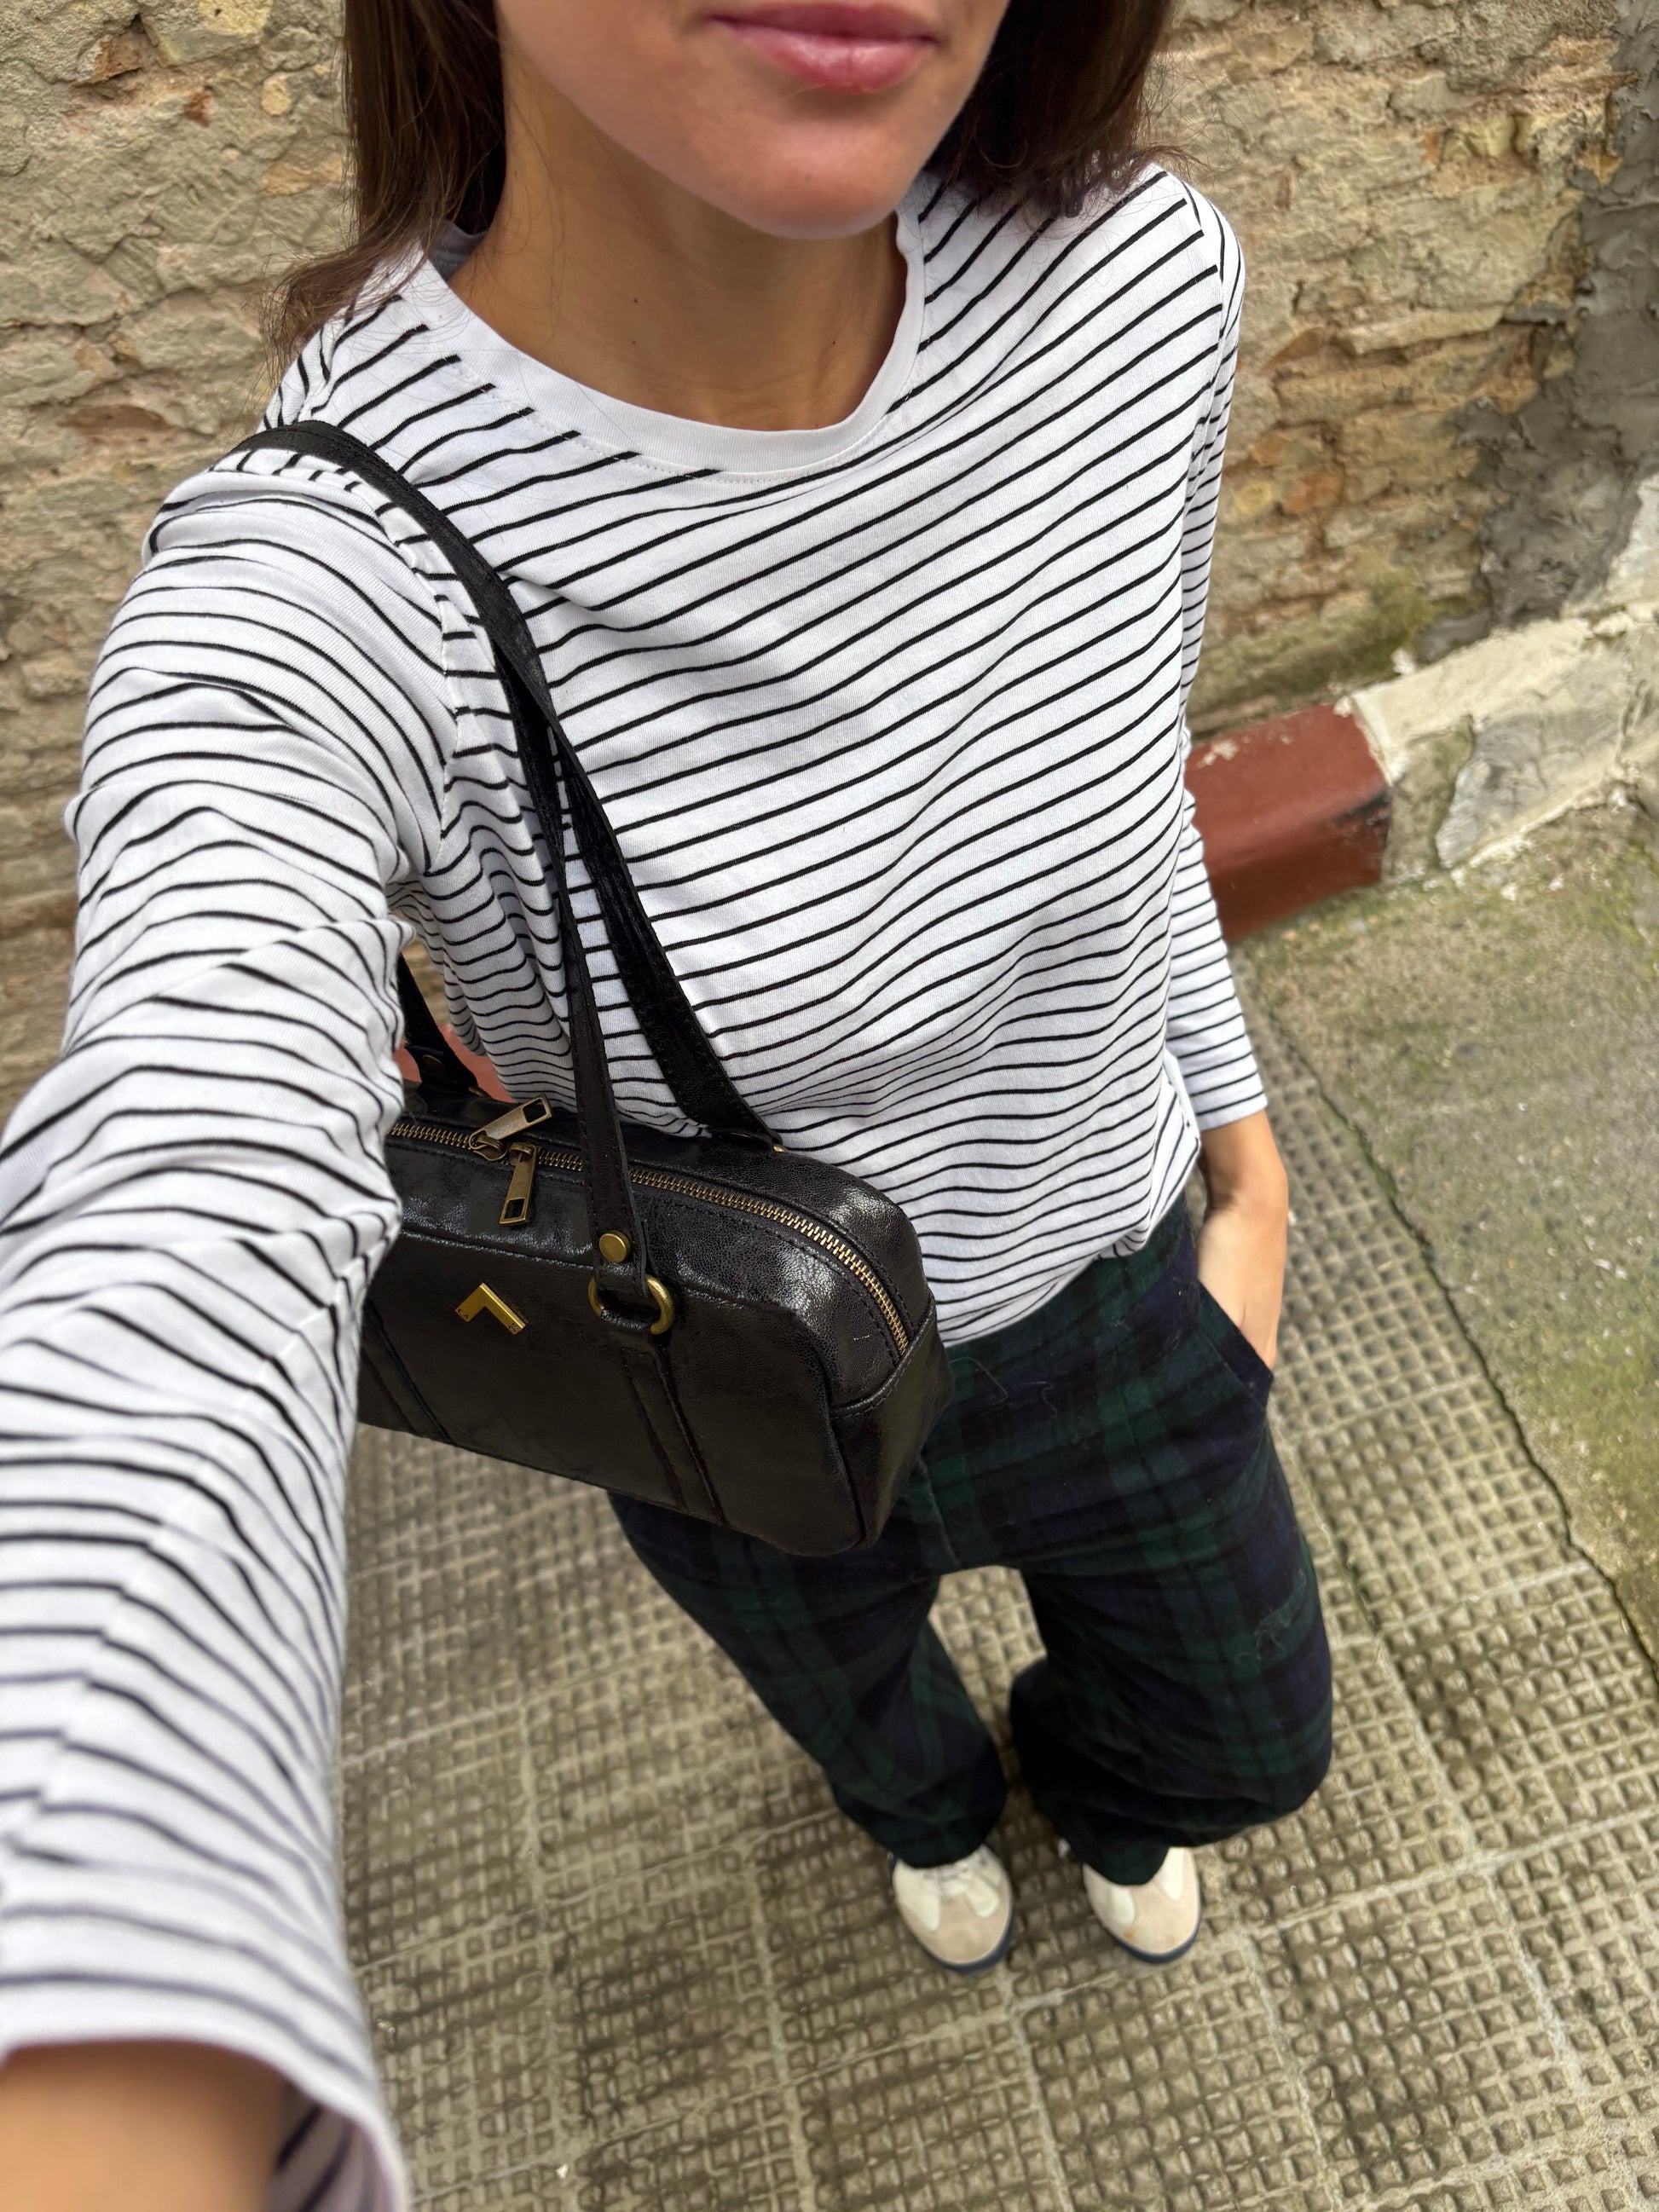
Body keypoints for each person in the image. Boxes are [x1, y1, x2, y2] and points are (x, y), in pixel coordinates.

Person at [0, 0, 1333, 2203]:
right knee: (871, 1730)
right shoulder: (336, 571)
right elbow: (177, 1189)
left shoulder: (1137, 287)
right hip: (731, 1391)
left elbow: (1120, 805)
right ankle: (924, 1816)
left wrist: (1244, 1166)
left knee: (1241, 1740)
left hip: (1115, 1298)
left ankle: (1101, 1794)